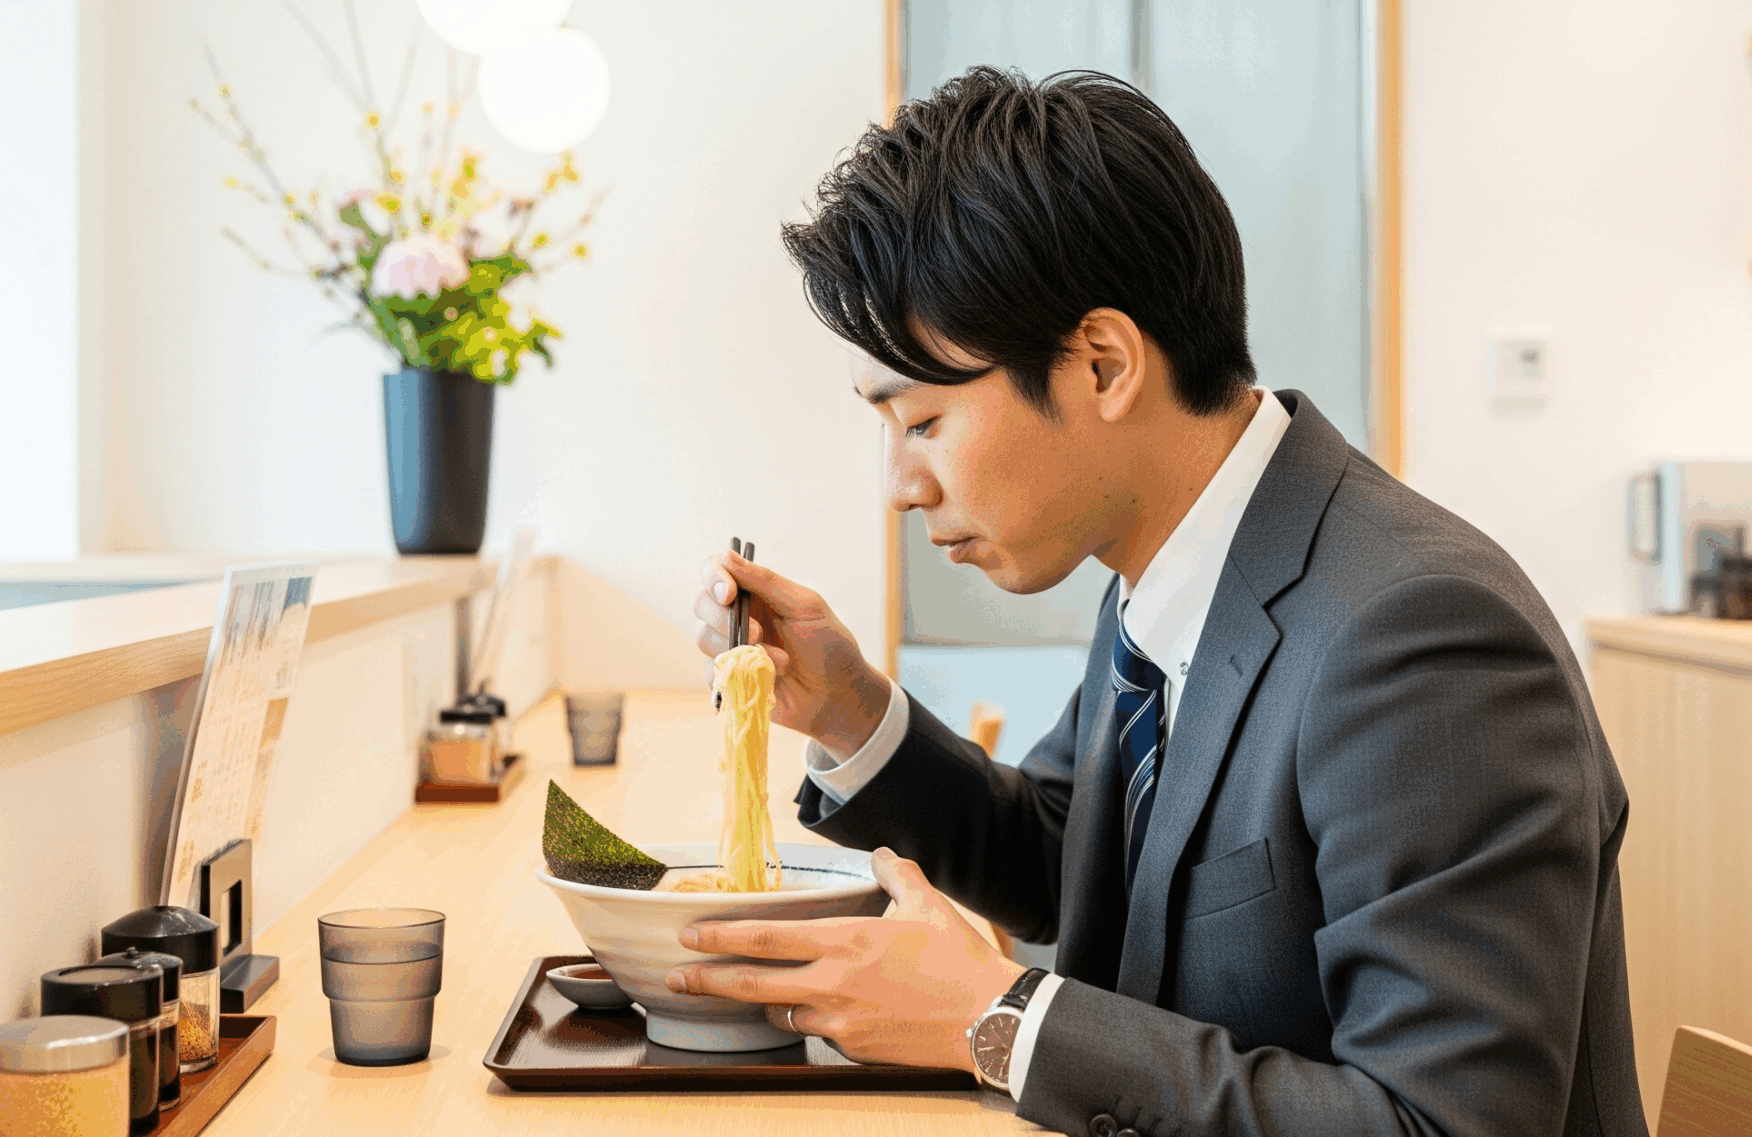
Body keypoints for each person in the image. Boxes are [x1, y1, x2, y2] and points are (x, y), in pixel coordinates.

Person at [674, 66, 1647, 1137]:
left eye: (923, 423)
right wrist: (852, 709)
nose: (903, 487)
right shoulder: (1173, 570)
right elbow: (1068, 857)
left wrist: (996, 1020)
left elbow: (1441, 1124)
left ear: (1101, 364)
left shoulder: (1421, 635)